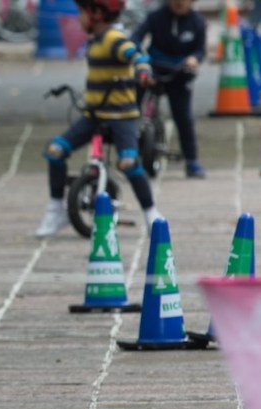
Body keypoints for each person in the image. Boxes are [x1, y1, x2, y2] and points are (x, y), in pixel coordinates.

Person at [35, 0, 162, 238]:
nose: (78, 18)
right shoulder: (95, 41)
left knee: (129, 163)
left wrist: (143, 71)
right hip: (94, 115)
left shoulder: (113, 38)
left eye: (81, 12)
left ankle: (151, 212)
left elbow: (135, 54)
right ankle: (56, 209)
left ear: (96, 14)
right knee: (55, 151)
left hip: (121, 117)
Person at [130, 0, 207, 178]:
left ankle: (191, 161)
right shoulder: (156, 17)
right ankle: (130, 152)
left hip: (180, 72)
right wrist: (139, 58)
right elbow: (135, 38)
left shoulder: (197, 22)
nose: (179, 3)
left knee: (183, 117)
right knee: (131, 106)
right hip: (154, 68)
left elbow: (200, 50)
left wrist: (194, 59)